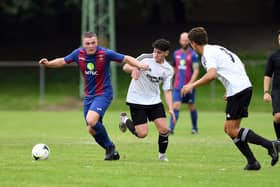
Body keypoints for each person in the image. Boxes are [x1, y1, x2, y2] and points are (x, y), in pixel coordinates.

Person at [181, 27, 280, 170]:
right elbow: (239, 64)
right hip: (241, 88)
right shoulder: (217, 48)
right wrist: (231, 88)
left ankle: (270, 145)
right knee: (229, 129)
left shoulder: (208, 54)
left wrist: (192, 85)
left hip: (239, 90)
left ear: (193, 43)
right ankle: (252, 162)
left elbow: (211, 75)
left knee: (232, 129)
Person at [38, 32, 148, 161]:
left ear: (97, 42)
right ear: (83, 44)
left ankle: (110, 148)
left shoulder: (105, 53)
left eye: (93, 43)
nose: (91, 46)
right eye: (88, 43)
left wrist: (139, 65)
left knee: (91, 120)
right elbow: (62, 61)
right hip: (89, 96)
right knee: (91, 129)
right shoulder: (78, 54)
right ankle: (111, 149)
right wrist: (48, 64)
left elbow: (126, 58)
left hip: (104, 93)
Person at [118, 39, 176, 161]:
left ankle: (162, 155)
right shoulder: (144, 58)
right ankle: (124, 119)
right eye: (154, 51)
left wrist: (170, 108)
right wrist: (134, 69)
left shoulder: (168, 69)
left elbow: (167, 90)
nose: (155, 54)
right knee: (142, 134)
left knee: (164, 129)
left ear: (166, 53)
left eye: (159, 52)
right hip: (137, 99)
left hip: (154, 101)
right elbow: (126, 66)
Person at [169, 32, 200, 135]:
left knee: (191, 106)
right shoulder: (176, 53)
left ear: (190, 41)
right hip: (178, 86)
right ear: (180, 41)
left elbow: (196, 70)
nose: (184, 42)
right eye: (183, 40)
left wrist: (191, 84)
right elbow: (174, 68)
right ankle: (171, 129)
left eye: (186, 40)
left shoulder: (194, 54)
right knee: (176, 106)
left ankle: (195, 128)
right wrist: (169, 79)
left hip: (189, 86)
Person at [264, 30, 280, 140]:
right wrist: (266, 92)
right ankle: (279, 140)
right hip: (277, 91)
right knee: (278, 117)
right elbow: (267, 75)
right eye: (279, 39)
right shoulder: (274, 57)